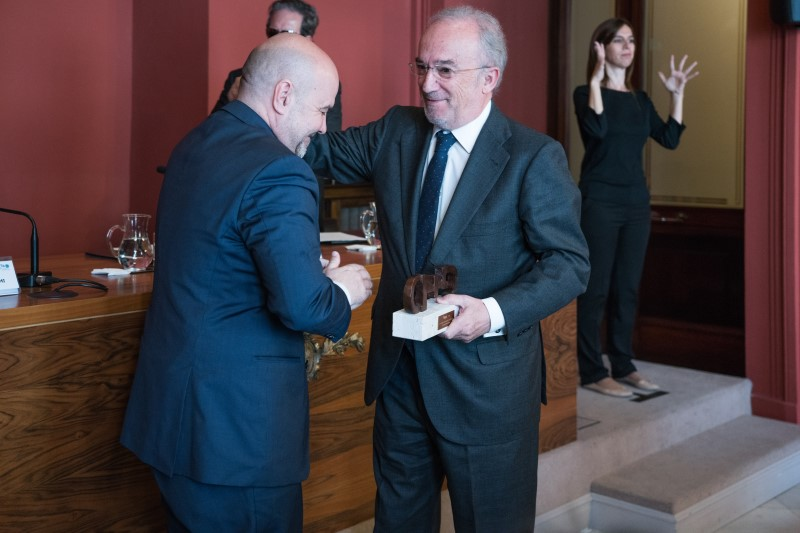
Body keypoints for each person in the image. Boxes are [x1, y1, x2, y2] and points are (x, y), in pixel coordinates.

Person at [305, 6, 590, 531]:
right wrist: (280, 78)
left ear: (490, 79)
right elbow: (312, 152)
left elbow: (570, 264)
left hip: (486, 391)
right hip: (401, 381)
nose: (427, 84)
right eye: (422, 67)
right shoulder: (396, 130)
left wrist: (491, 311)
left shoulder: (533, 157)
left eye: (444, 70)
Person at [120, 34, 373, 532]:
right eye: (322, 110)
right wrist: (342, 289)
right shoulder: (282, 170)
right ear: (283, 96)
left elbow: (220, 259)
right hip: (237, 437)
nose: (324, 128)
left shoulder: (194, 143)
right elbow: (303, 308)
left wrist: (299, 271)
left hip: (173, 417)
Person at [573, 18, 699, 398]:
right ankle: (593, 370)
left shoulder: (640, 100)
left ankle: (624, 364)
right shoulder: (585, 92)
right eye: (618, 40)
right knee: (595, 290)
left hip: (634, 203)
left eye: (631, 40)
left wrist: (676, 94)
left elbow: (670, 138)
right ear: (601, 47)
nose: (628, 46)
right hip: (599, 201)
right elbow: (594, 130)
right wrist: (596, 79)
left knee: (626, 288)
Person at [210, 0, 342, 133]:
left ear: (307, 40)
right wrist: (231, 102)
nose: (276, 39)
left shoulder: (325, 85)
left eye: (287, 33)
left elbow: (327, 143)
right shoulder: (239, 77)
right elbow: (211, 132)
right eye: (272, 32)